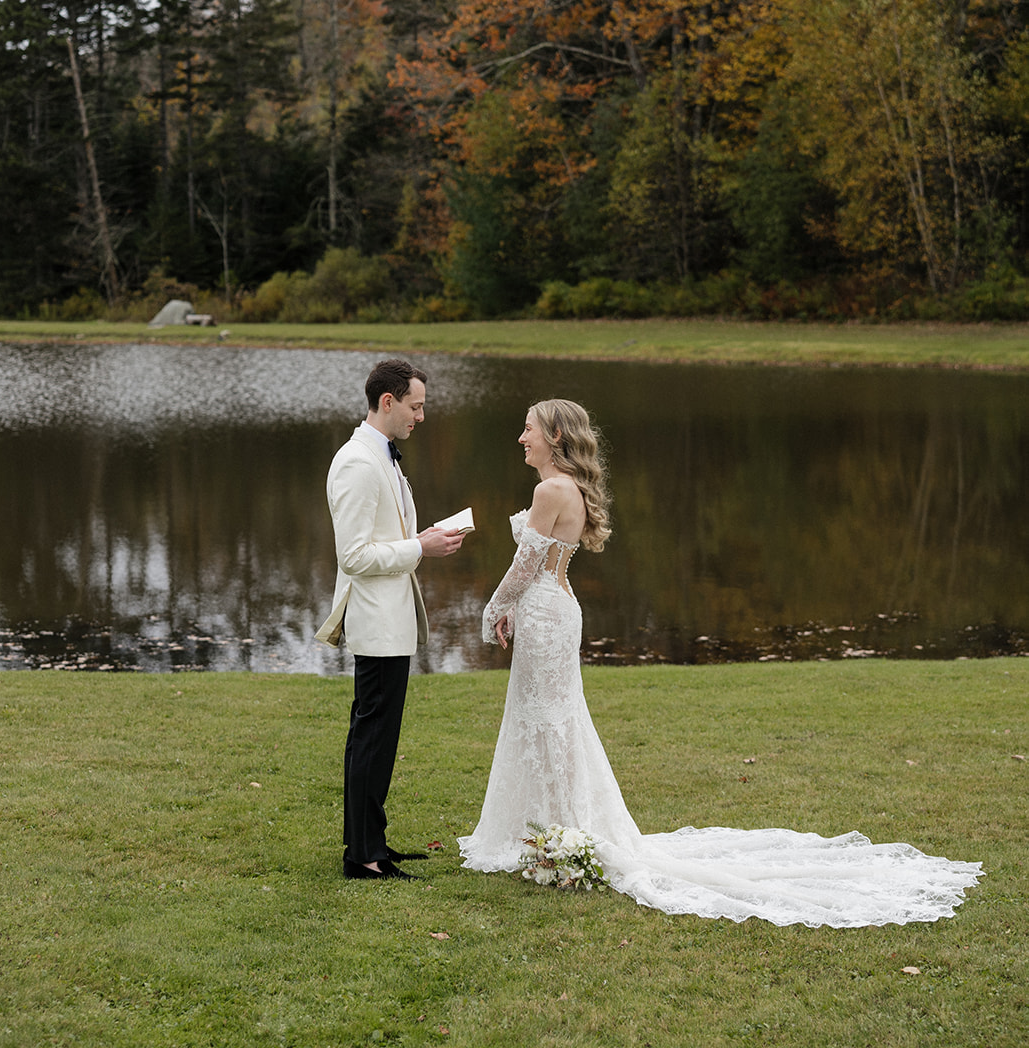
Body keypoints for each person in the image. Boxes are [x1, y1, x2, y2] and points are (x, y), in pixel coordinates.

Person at [459, 398, 982, 927]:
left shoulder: (549, 490)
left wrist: (494, 608)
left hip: (546, 614)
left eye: (528, 430)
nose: (521, 438)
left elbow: (526, 566)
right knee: (551, 719)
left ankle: (563, 831)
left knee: (549, 719)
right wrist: (511, 606)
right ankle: (554, 826)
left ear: (552, 435)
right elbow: (535, 565)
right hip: (556, 610)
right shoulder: (566, 488)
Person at [318, 357, 463, 880]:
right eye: (416, 406)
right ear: (388, 402)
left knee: (380, 738)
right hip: (375, 623)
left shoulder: (384, 456)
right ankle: (362, 857)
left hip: (391, 621)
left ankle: (371, 842)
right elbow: (353, 556)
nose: (421, 417)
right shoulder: (358, 462)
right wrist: (419, 547)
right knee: (372, 737)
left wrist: (425, 543)